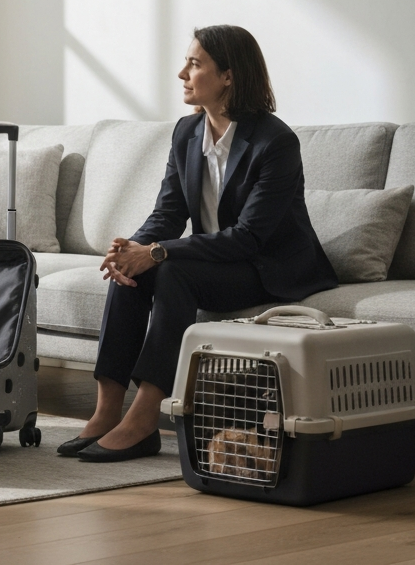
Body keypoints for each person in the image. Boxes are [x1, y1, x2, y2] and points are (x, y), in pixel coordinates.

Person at [58, 24, 338, 462]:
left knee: (171, 269)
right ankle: (107, 410)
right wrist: (131, 249)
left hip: (267, 268)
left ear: (228, 75)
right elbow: (168, 213)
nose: (182, 73)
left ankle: (145, 416)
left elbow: (249, 237)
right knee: (132, 270)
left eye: (194, 64)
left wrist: (157, 252)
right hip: (218, 260)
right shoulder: (187, 132)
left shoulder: (275, 142)